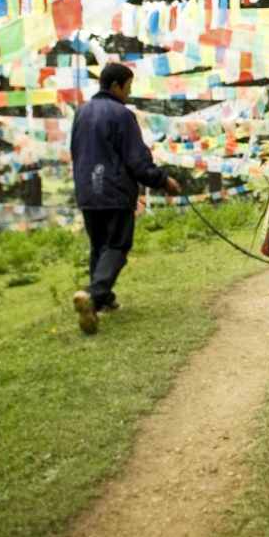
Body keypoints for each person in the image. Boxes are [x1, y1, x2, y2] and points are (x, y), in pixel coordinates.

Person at [70, 62, 181, 334]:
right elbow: (136, 159)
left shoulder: (81, 112)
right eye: (128, 87)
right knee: (117, 246)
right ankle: (94, 295)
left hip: (87, 189)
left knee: (99, 246)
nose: (129, 93)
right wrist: (162, 180)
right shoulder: (121, 114)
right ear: (116, 86)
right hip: (115, 191)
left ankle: (103, 301)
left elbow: (76, 153)